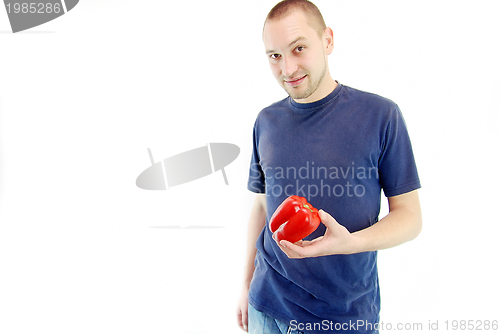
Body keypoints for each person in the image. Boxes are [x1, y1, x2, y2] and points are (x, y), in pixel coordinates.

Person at [236, 0, 422, 333]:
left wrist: (350, 242)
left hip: (342, 318)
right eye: (275, 56)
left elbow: (410, 217)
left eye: (299, 48)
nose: (288, 68)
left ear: (328, 41)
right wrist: (245, 285)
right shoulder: (265, 121)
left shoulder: (381, 116)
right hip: (266, 306)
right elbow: (262, 206)